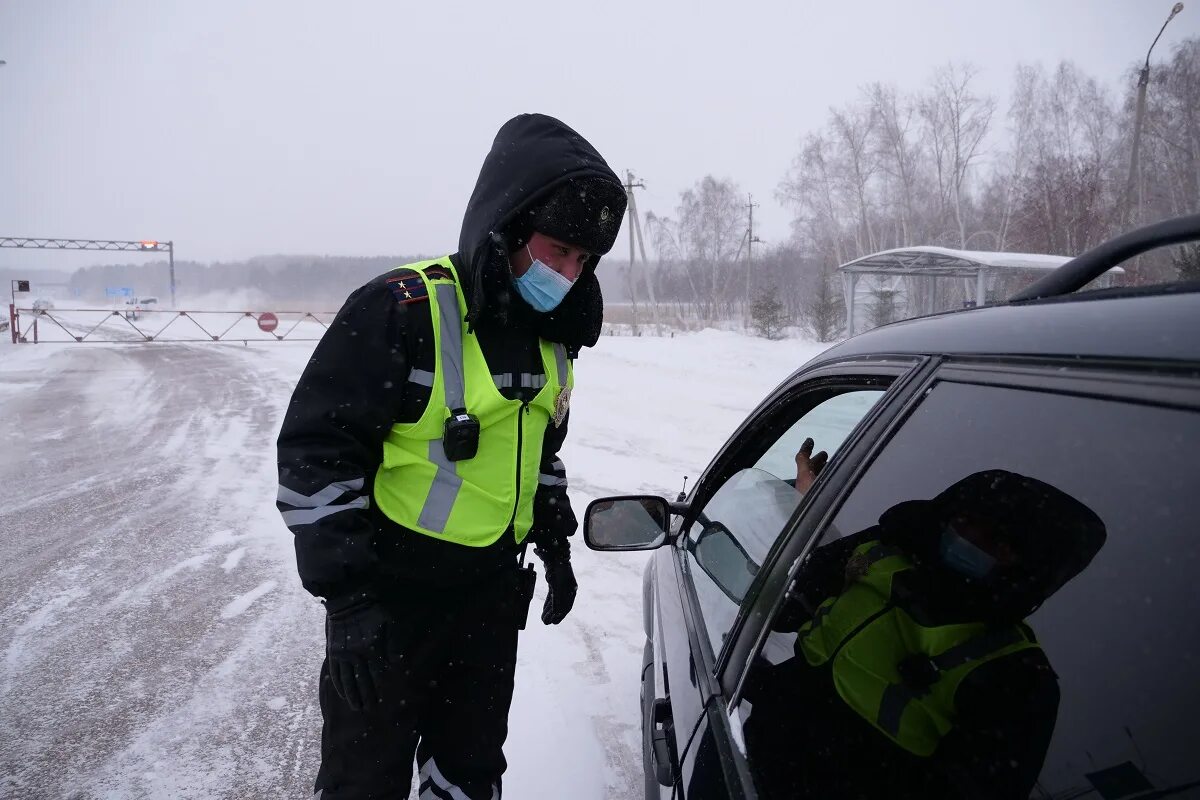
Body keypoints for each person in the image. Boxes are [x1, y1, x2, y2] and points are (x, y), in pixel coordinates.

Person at [276, 113, 627, 800]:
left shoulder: (553, 338)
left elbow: (539, 453)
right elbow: (318, 450)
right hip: (389, 600)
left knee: (468, 776)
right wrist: (347, 600)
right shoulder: (403, 310)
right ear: (510, 226)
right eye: (558, 250)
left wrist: (552, 539)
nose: (568, 272)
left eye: (583, 260)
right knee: (363, 782)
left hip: (488, 601)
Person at [744, 470, 1107, 800]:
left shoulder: (1018, 676)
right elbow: (781, 606)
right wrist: (769, 685)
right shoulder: (879, 552)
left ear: (1030, 567)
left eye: (999, 542)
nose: (971, 540)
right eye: (966, 521)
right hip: (747, 751)